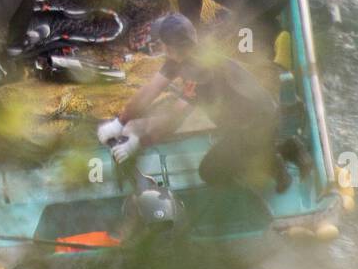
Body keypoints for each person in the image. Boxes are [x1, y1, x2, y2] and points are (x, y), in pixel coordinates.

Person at [96, 14, 295, 191]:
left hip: (256, 126)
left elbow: (174, 118)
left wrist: (137, 143)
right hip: (240, 120)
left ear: (170, 47)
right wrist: (119, 123)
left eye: (162, 42)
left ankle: (278, 158)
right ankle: (267, 150)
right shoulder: (183, 55)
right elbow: (151, 89)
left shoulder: (199, 73)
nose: (159, 45)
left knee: (210, 173)